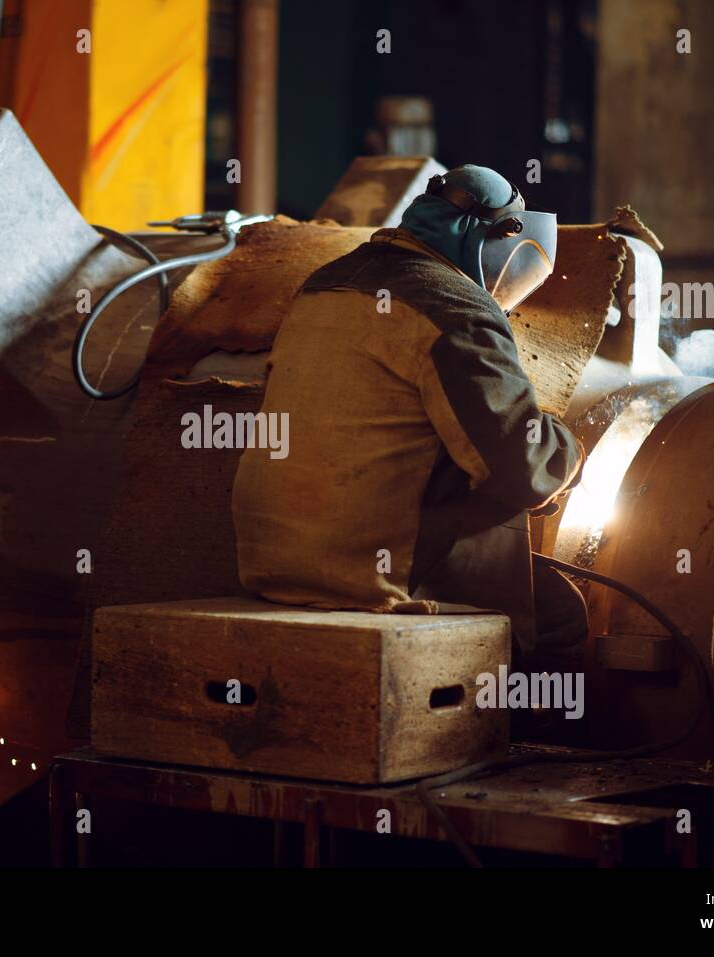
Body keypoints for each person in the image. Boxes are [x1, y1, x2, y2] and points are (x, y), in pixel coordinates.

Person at [232, 164, 587, 658]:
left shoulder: (325, 282)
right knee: (556, 611)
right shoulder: (454, 306)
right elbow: (524, 469)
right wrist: (570, 454)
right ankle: (493, 731)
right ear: (498, 235)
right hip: (369, 579)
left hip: (270, 562)